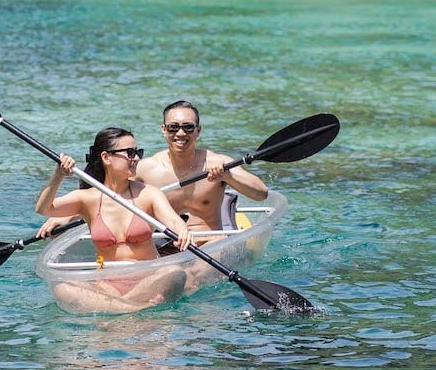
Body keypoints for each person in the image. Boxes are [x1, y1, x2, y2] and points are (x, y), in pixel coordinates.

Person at [35, 127, 193, 312]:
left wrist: (182, 230)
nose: (136, 158)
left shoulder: (148, 193)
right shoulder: (87, 199)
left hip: (149, 279)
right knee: (63, 289)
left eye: (138, 152)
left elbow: (173, 220)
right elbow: (44, 208)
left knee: (175, 273)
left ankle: (117, 309)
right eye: (130, 153)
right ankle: (136, 310)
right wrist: (58, 175)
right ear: (106, 157)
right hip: (108, 285)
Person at [135, 100, 268, 242]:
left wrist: (228, 176)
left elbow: (261, 194)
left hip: (210, 242)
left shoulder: (219, 163)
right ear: (163, 129)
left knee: (206, 255)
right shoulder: (145, 169)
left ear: (198, 131)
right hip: (166, 243)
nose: (180, 133)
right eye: (173, 127)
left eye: (188, 128)